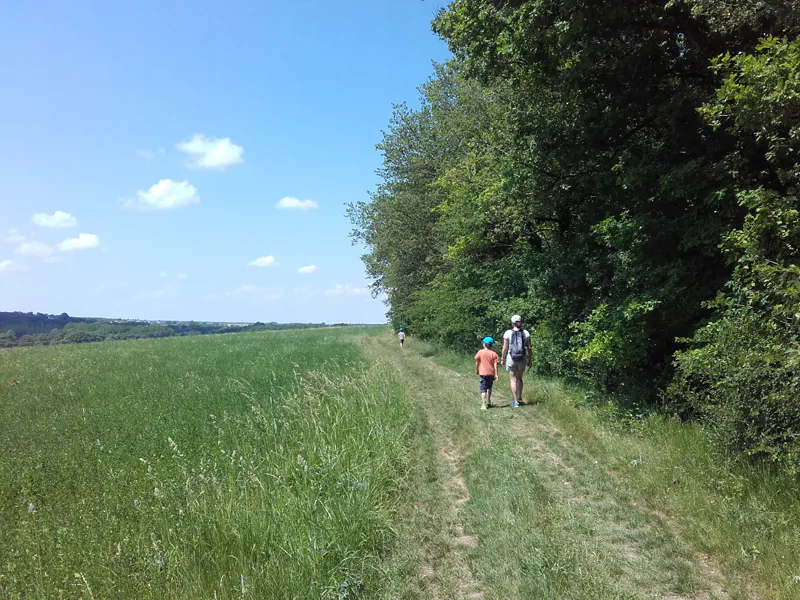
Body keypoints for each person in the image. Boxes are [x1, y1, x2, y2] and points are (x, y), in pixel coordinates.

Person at [501, 315, 532, 408]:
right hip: (522, 358)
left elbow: (505, 347)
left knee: (513, 379)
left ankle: (515, 402)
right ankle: (519, 398)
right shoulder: (526, 333)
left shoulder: (508, 333)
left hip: (512, 358)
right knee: (519, 378)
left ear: (512, 323)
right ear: (520, 322)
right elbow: (529, 348)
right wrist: (529, 359)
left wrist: (502, 358)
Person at [475, 336, 499, 410]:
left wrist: (477, 370)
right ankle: (488, 401)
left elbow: (477, 363)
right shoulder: (494, 354)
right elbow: (496, 366)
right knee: (489, 387)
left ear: (484, 344)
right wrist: (496, 374)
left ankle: (483, 404)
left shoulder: (480, 352)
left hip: (483, 373)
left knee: (483, 389)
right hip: (491, 374)